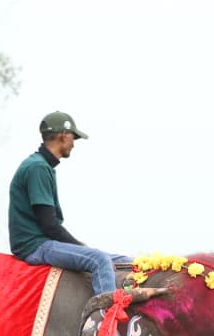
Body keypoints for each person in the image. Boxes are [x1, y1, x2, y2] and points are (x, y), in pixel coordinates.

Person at [8, 111, 129, 295]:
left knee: (126, 261)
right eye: (73, 137)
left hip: (44, 241)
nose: (73, 144)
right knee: (99, 260)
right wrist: (80, 247)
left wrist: (79, 246)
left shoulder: (41, 165)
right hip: (35, 246)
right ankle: (106, 319)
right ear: (63, 136)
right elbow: (49, 224)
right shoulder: (37, 168)